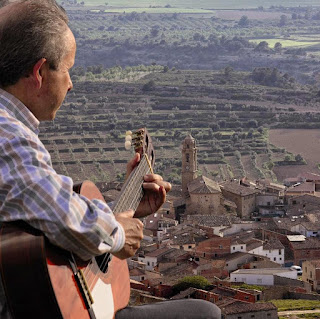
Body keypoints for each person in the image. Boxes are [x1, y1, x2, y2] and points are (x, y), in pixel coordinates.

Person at [0, 1, 221, 318]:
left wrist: (129, 208)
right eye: (67, 69)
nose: (71, 83)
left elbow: (43, 212)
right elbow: (66, 220)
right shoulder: (9, 138)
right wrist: (118, 235)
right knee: (204, 313)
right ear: (38, 73)